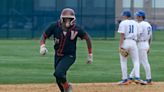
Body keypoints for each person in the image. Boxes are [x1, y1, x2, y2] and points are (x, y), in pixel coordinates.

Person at [39, 8, 93, 92]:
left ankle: (67, 87)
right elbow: (44, 36)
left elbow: (87, 38)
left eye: (69, 19)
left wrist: (90, 54)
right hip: (58, 55)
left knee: (58, 73)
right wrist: (42, 46)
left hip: (69, 56)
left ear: (73, 20)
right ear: (61, 19)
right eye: (65, 18)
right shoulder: (54, 26)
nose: (67, 21)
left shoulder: (76, 29)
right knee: (58, 78)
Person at [118, 10, 143, 85]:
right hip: (133, 42)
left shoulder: (123, 22)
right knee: (136, 61)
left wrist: (120, 45)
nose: (122, 16)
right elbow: (139, 34)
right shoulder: (135, 23)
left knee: (123, 61)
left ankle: (125, 79)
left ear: (125, 16)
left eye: (123, 15)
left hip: (125, 42)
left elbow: (122, 35)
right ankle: (137, 78)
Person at [129, 10, 152, 85]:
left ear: (141, 17)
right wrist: (149, 46)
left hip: (141, 44)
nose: (136, 17)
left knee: (144, 62)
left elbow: (138, 35)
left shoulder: (140, 24)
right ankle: (130, 77)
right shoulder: (148, 24)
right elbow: (150, 37)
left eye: (138, 16)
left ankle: (148, 79)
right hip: (146, 44)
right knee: (138, 61)